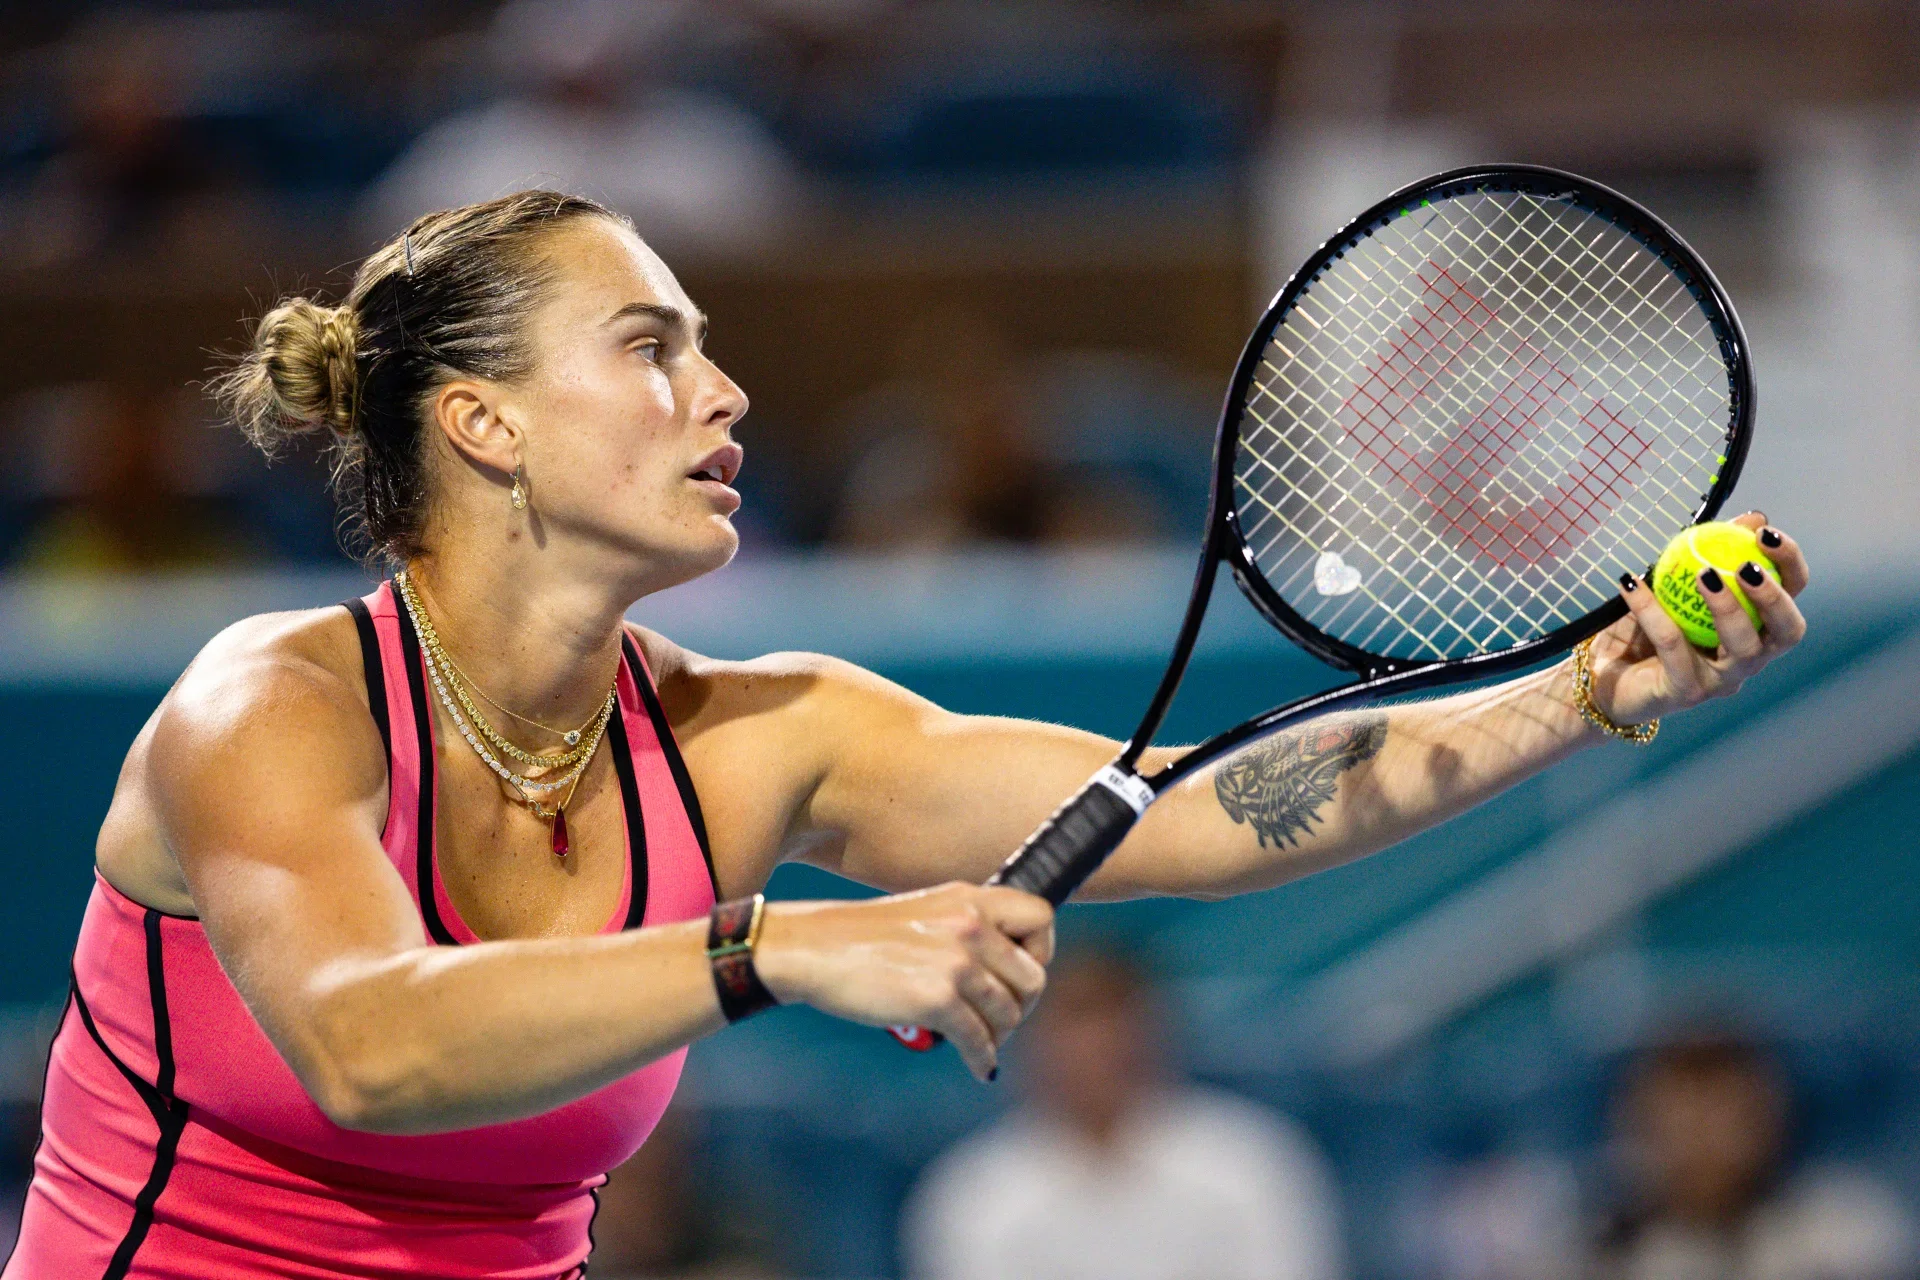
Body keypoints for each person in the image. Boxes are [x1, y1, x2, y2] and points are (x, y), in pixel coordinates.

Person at [2, 189, 1808, 1278]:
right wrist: (775, 947)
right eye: (649, 347)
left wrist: (1582, 692)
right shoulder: (271, 709)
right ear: (484, 424)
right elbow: (370, 1047)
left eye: (707, 346)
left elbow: (1200, 813)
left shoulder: (755, 739)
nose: (724, 391)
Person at [903, 951, 1346, 1280]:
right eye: (1071, 1033)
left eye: (1108, 1031)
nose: (1092, 1056)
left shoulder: (1253, 1161)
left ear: (1152, 1033)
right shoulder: (972, 1196)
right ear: (1032, 1049)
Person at [1590, 1033, 1917, 1280]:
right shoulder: (1602, 1252)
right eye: (1684, 1123)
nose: (1702, 1143)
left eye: (1721, 1117)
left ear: (1770, 1119)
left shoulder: (1845, 1229)